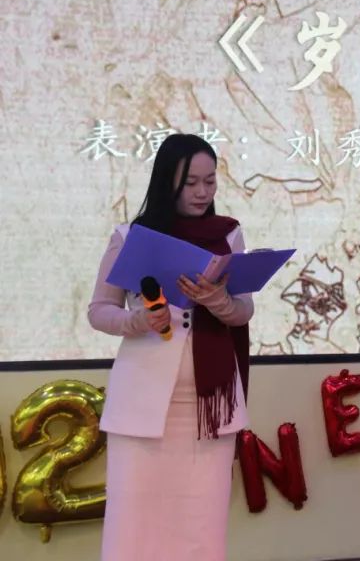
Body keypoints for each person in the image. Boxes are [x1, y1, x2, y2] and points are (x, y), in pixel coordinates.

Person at [88, 134, 254, 561]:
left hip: (209, 406)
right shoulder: (131, 236)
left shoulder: (227, 235)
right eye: (190, 183)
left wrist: (217, 301)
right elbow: (99, 310)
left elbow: (243, 311)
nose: (202, 192)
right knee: (134, 526)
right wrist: (137, 321)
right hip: (142, 403)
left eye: (210, 181)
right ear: (167, 182)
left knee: (201, 526)